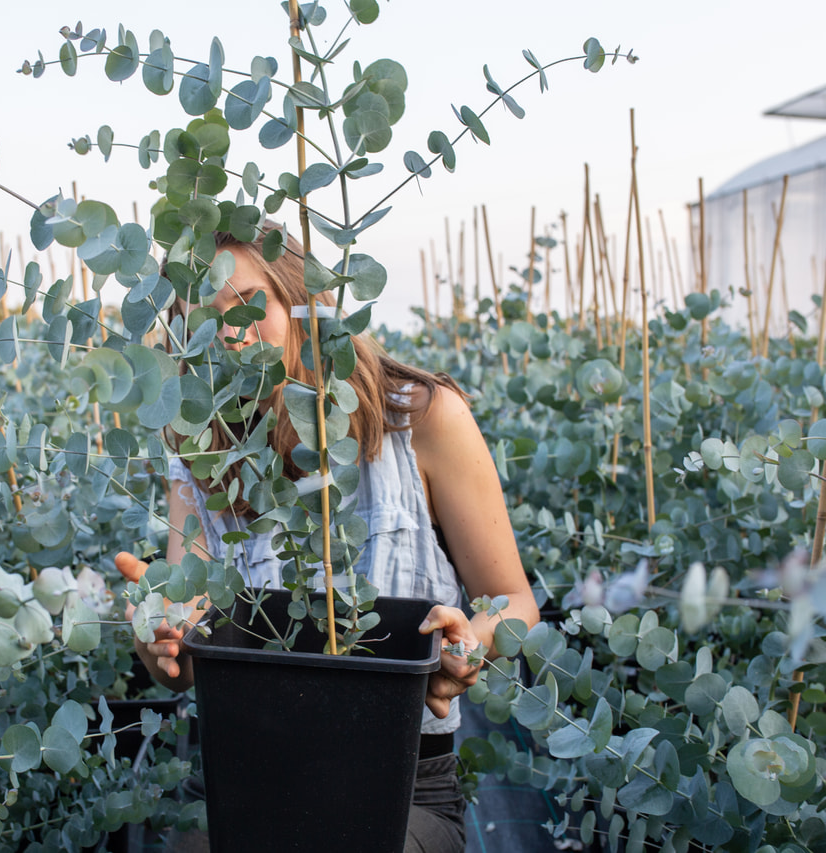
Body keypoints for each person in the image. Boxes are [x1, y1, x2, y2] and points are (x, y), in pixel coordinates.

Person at [115, 224, 538, 853]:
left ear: (300, 299)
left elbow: (515, 603)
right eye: (203, 316)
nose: (231, 332)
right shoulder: (201, 457)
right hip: (246, 775)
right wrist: (161, 638)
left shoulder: (420, 419)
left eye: (248, 301)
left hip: (403, 784)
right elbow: (182, 664)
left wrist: (469, 642)